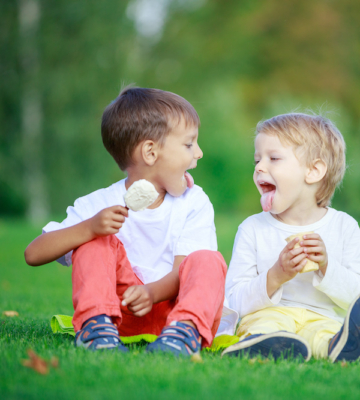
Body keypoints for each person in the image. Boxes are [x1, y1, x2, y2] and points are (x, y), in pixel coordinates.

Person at [24, 87, 227, 356]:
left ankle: (184, 335)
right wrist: (89, 228)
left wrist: (152, 293)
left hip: (175, 314)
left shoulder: (195, 202)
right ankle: (96, 328)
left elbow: (183, 272)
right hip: (120, 316)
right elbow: (33, 254)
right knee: (95, 242)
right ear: (151, 153)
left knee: (208, 259)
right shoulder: (98, 204)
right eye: (189, 144)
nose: (198, 153)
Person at [222, 113, 360, 362]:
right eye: (257, 159)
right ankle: (262, 343)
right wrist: (276, 275)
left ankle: (340, 348)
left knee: (324, 333)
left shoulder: (344, 227)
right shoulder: (252, 229)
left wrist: (326, 267)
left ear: (313, 171)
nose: (259, 167)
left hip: (322, 318)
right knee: (265, 326)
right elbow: (233, 301)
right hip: (268, 314)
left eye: (273, 158)